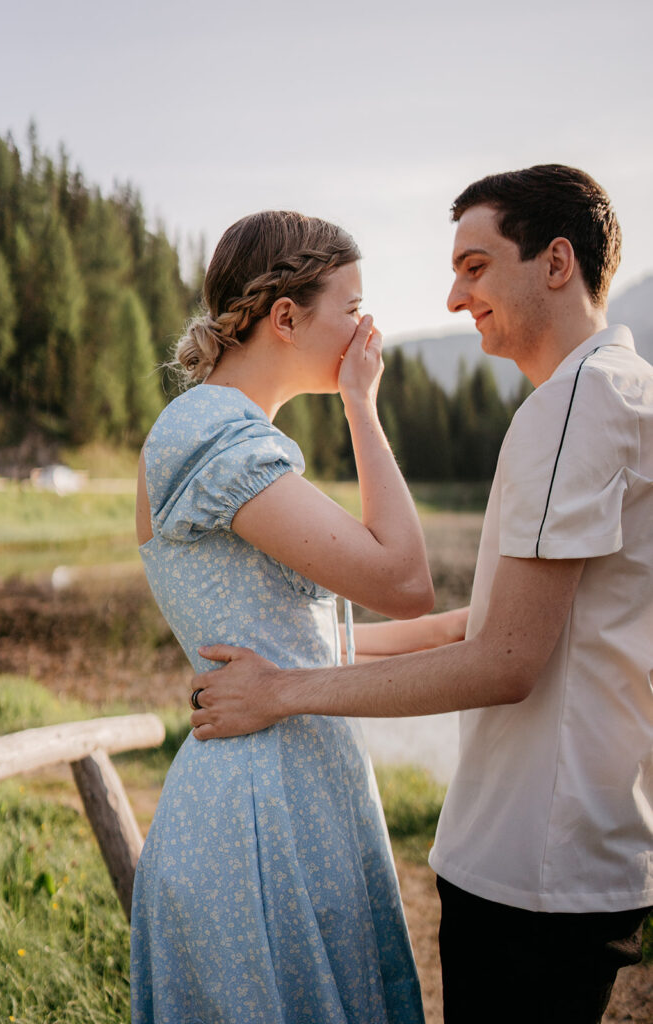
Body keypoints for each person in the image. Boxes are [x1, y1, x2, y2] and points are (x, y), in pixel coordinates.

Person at [189, 167, 653, 1024]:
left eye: (474, 266)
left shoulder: (573, 407)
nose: (451, 296)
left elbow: (505, 661)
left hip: (530, 867)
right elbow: (504, 626)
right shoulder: (626, 392)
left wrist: (283, 693)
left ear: (556, 262)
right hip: (582, 851)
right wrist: (300, 654)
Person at [131, 209, 468, 1023]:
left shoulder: (222, 434)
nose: (367, 329)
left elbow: (309, 644)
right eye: (351, 308)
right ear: (285, 317)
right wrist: (362, 404)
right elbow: (403, 578)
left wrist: (479, 629)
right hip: (255, 818)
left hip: (279, 800)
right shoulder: (217, 435)